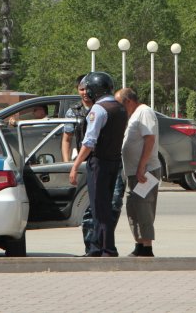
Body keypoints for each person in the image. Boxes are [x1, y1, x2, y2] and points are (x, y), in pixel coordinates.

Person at [70, 71, 127, 257]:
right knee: (104, 207)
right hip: (114, 162)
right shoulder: (119, 107)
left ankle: (106, 249)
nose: (87, 93)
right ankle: (98, 247)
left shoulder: (98, 110)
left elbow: (89, 142)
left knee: (98, 208)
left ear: (95, 90)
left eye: (89, 89)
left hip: (100, 163)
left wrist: (75, 165)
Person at [115, 87, 160, 257]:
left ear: (128, 101)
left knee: (144, 208)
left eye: (120, 104)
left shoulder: (144, 112)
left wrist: (142, 166)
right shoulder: (133, 115)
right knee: (133, 208)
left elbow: (149, 139)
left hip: (145, 171)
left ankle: (147, 247)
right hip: (133, 172)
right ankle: (139, 244)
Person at [61, 75, 91, 163]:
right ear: (77, 90)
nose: (85, 92)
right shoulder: (72, 112)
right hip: (83, 160)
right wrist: (66, 163)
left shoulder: (103, 107)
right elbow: (67, 139)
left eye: (88, 89)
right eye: (82, 89)